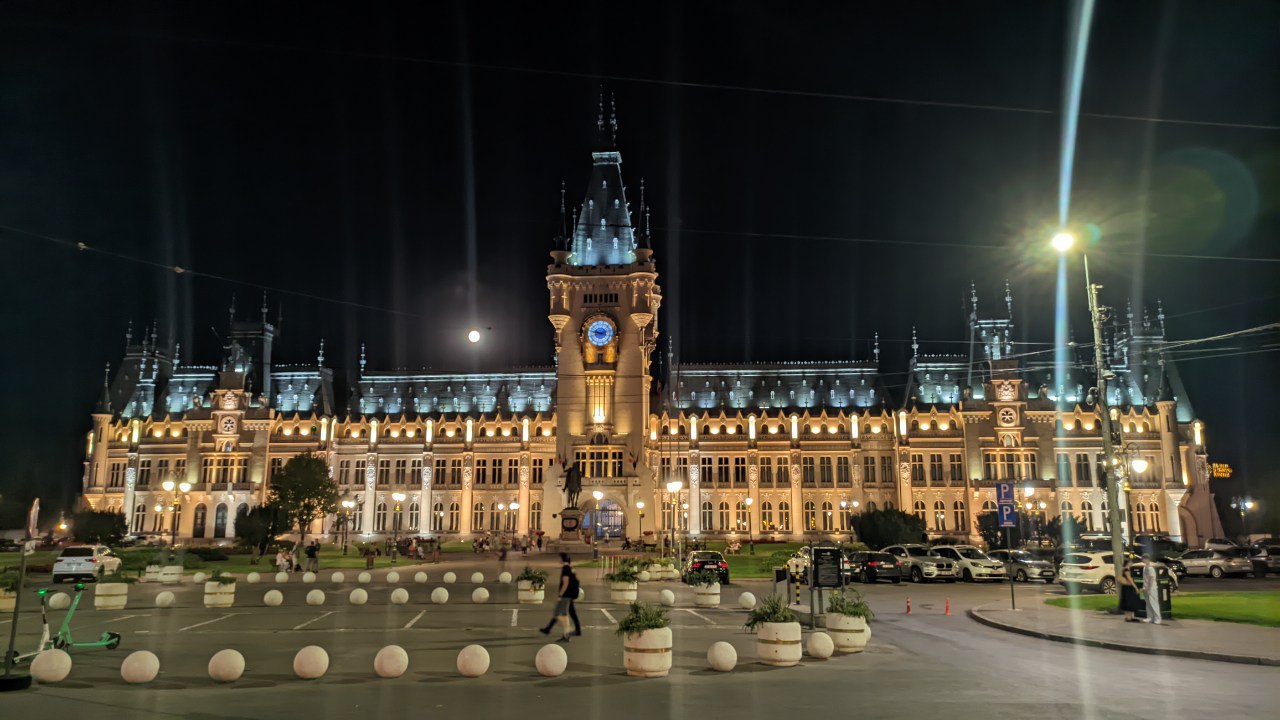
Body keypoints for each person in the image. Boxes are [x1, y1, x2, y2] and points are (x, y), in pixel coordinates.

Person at [540, 552, 582, 640]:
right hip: (569, 595)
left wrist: (560, 595)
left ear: (562, 560)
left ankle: (567, 632)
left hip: (566, 595)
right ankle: (552, 629)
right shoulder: (570, 569)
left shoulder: (565, 570)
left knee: (561, 614)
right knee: (562, 613)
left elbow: (565, 583)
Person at [1143, 556, 1163, 625]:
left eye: (1144, 559)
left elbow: (1151, 579)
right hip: (1145, 587)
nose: (1143, 560)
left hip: (1152, 588)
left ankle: (1157, 618)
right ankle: (1150, 617)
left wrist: (1149, 588)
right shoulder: (1145, 567)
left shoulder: (1151, 568)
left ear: (1147, 559)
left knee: (1154, 603)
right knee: (1148, 603)